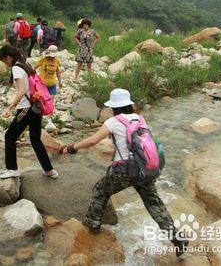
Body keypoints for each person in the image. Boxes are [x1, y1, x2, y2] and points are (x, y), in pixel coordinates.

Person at [62, 89, 189, 257]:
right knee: (154, 204)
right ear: (128, 104)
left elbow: (93, 140)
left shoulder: (114, 121)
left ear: (114, 107)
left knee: (100, 190)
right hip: (144, 169)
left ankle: (93, 224)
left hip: (124, 170)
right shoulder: (140, 118)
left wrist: (72, 147)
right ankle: (177, 238)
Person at [0, 45, 58, 179]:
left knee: (10, 136)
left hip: (26, 108)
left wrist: (9, 107)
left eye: (4, 60)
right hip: (36, 106)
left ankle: (12, 169)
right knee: (35, 139)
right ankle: (49, 170)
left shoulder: (16, 67)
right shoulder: (25, 63)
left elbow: (21, 90)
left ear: (8, 57)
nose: (5, 64)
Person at [34, 45, 62, 131]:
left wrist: (60, 81)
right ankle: (39, 119)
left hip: (52, 84)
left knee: (50, 102)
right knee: (41, 102)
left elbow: (57, 72)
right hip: (42, 85)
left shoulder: (57, 61)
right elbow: (33, 68)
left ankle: (49, 120)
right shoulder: (43, 60)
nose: (52, 57)